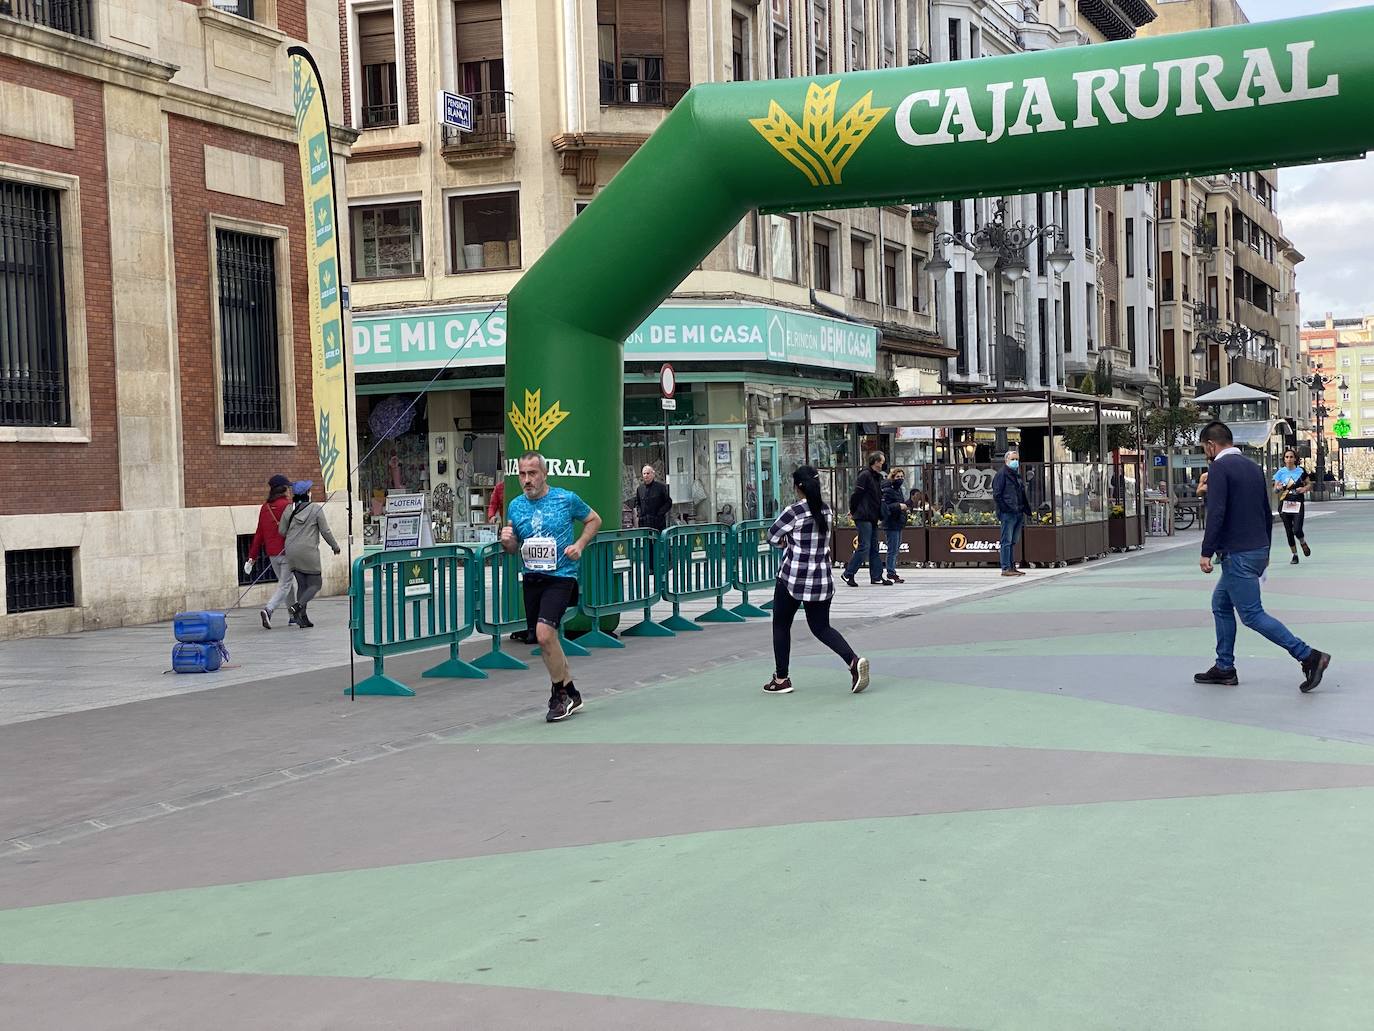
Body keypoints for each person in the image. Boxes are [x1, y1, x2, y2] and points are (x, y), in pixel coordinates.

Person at [1195, 421, 1331, 692]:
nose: (1205, 453)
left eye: (1204, 448)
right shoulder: (1253, 467)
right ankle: (1224, 667)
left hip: (1237, 554)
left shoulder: (1219, 468)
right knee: (1221, 604)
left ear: (1211, 445)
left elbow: (1217, 512)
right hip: (1256, 549)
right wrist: (1266, 550)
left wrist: (1206, 551)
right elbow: (1266, 511)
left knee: (1252, 614)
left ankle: (1308, 656)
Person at [502, 452, 603, 723]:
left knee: (545, 634)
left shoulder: (566, 499)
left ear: (544, 474)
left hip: (561, 576)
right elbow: (512, 549)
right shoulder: (515, 506)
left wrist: (579, 545)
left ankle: (559, 694)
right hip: (533, 578)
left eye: (532, 473)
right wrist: (507, 540)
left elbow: (594, 519)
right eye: (522, 474)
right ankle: (571, 692)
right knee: (545, 640)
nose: (527, 480)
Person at [763, 466, 869, 696]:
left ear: (798, 487)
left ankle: (781, 679)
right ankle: (853, 661)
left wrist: (788, 544)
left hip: (793, 577)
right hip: (821, 578)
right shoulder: (826, 510)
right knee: (821, 627)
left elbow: (772, 536)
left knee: (781, 625)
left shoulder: (794, 511)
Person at [278, 480, 341, 629]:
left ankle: (302, 618)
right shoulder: (315, 509)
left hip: (291, 551)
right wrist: (335, 546)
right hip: (308, 552)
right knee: (316, 584)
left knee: (302, 584)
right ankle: (297, 607)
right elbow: (325, 531)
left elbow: (281, 531)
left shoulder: (288, 509)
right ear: (307, 494)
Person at [246, 474, 297, 629]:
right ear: (284, 489)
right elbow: (296, 528)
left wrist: (251, 557)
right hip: (287, 552)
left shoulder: (265, 507)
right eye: (288, 487)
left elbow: (259, 533)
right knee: (285, 584)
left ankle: (293, 616)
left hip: (272, 554)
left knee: (286, 584)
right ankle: (268, 610)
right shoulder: (288, 506)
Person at [841, 451, 887, 588]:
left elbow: (877, 497)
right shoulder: (865, 475)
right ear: (875, 462)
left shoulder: (876, 477)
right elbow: (856, 494)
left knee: (874, 547)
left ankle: (877, 576)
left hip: (872, 516)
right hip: (863, 515)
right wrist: (854, 510)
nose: (882, 465)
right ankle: (848, 573)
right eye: (881, 462)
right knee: (864, 546)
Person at [992, 449, 1032, 577]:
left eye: (1017, 459)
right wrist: (1005, 508)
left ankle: (1011, 566)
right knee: (1006, 541)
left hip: (1017, 511)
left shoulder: (1016, 474)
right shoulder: (1002, 474)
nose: (1015, 462)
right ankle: (1006, 568)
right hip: (1008, 513)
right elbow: (997, 494)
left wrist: (1024, 508)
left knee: (1013, 541)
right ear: (1006, 460)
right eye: (1013, 459)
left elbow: (1020, 493)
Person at [1272, 448, 1312, 565]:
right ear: (1284, 459)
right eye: (1287, 457)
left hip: (1298, 504)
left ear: (1295, 459)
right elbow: (1275, 489)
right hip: (1285, 504)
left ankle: (1303, 542)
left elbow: (1309, 484)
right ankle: (1294, 555)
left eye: (1291, 457)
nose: (1289, 459)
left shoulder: (1301, 471)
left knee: (1297, 529)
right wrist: (1277, 488)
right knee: (1289, 531)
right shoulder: (1280, 473)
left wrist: (1304, 488)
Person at [879, 468, 909, 584]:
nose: (900, 479)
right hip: (891, 523)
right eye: (898, 477)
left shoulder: (898, 490)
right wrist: (899, 506)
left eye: (902, 477)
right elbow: (886, 506)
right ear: (892, 477)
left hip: (898, 522)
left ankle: (892, 571)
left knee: (895, 549)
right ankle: (890, 572)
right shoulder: (888, 490)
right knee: (892, 550)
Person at [632, 464, 672, 531]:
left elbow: (668, 502)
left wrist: (660, 513)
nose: (646, 475)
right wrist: (639, 513)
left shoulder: (660, 487)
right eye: (644, 473)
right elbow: (637, 503)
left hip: (658, 523)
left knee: (658, 541)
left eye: (648, 473)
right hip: (644, 524)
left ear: (653, 475)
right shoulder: (640, 489)